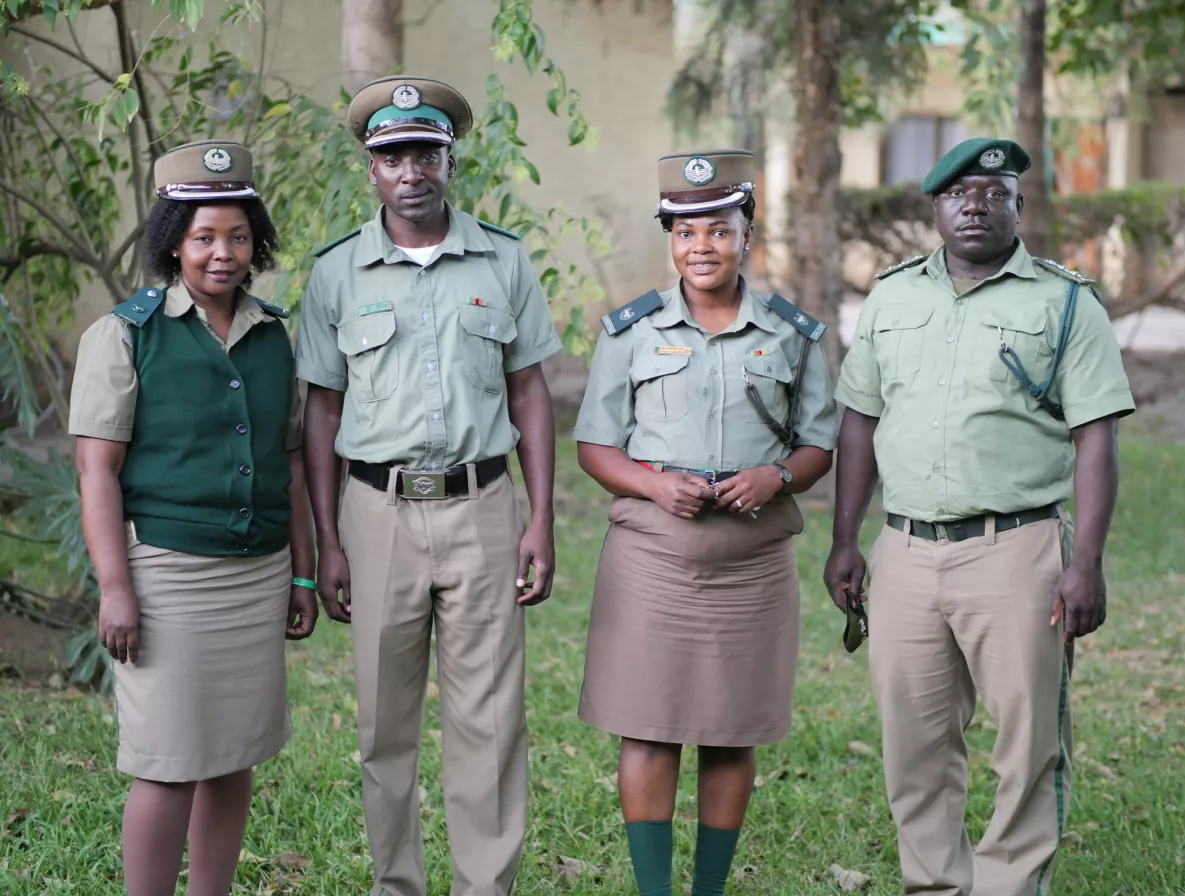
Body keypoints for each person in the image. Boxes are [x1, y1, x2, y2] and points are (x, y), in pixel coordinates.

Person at [824, 137, 1135, 896]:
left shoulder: (1065, 302)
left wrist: (1085, 561)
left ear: (1019, 207)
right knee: (915, 745)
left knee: (1028, 749)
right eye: (959, 192)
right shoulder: (892, 298)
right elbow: (859, 423)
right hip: (904, 553)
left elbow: (1096, 438)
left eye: (994, 192)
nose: (975, 204)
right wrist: (845, 542)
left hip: (1018, 551)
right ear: (935, 206)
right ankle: (934, 885)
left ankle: (1007, 886)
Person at [295, 77, 561, 896]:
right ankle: (396, 885)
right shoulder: (337, 273)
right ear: (369, 170)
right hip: (375, 515)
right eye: (391, 156)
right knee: (384, 722)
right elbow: (320, 411)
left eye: (424, 152)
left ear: (450, 159)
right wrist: (328, 541)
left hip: (483, 507)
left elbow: (531, 395)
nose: (410, 170)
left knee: (489, 719)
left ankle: (486, 886)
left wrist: (541, 520)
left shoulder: (503, 259)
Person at [573, 149, 837, 896]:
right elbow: (595, 445)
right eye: (685, 233)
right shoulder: (629, 330)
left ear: (745, 234)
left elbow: (820, 442)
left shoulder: (791, 333)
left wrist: (776, 476)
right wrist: (655, 487)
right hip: (654, 558)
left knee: (731, 732)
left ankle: (708, 890)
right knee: (647, 729)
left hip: (752, 561)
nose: (701, 247)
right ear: (670, 240)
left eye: (717, 230)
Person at [70, 140, 317, 896]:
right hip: (168, 576)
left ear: (257, 242)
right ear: (172, 239)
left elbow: (295, 464)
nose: (222, 252)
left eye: (237, 236)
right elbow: (96, 470)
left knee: (233, 753)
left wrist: (301, 574)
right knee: (168, 765)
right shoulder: (124, 335)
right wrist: (116, 586)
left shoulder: (275, 335)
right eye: (204, 236)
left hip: (257, 574)